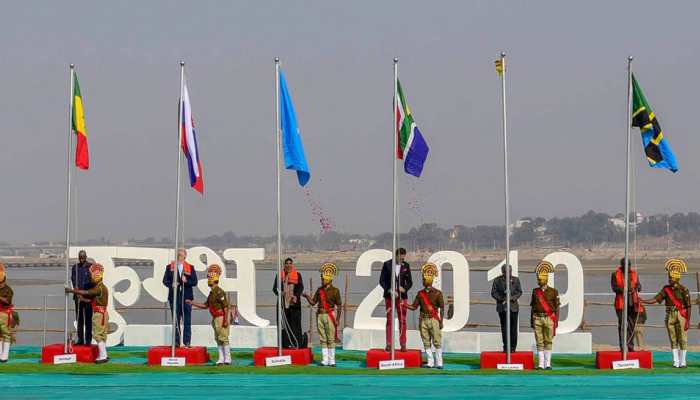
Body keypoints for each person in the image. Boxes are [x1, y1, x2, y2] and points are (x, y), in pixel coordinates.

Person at [642, 258, 691, 368]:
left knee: (682, 338)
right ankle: (676, 361)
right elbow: (656, 299)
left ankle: (683, 362)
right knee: (672, 338)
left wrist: (688, 320)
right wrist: (643, 301)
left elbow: (688, 306)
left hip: (681, 315)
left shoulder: (684, 290)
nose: (669, 279)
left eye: (671, 278)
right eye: (669, 277)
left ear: (676, 278)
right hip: (669, 315)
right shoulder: (666, 289)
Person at [187, 264, 231, 365]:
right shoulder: (211, 293)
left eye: (210, 277)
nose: (209, 279)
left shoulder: (219, 292)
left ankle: (227, 358)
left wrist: (225, 320)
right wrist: (192, 302)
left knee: (223, 337)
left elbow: (225, 307)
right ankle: (221, 358)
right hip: (215, 317)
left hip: (220, 316)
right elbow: (205, 305)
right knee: (218, 338)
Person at [65, 264, 109, 363]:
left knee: (98, 335)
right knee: (102, 335)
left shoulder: (99, 288)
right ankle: (104, 354)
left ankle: (103, 356)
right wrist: (83, 299)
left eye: (91, 275)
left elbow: (87, 292)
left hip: (99, 314)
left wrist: (72, 291)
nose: (90, 277)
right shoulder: (103, 287)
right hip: (103, 313)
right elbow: (91, 299)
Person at [303, 263, 342, 367]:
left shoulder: (335, 291)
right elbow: (313, 302)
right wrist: (307, 296)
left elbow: (339, 305)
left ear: (329, 279)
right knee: (323, 338)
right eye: (321, 278)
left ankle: (332, 360)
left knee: (330, 338)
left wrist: (337, 319)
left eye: (323, 278)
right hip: (320, 315)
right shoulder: (319, 290)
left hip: (330, 315)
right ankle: (324, 360)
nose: (322, 280)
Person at [406, 263, 445, 369]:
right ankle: (430, 362)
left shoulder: (438, 293)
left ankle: (439, 362)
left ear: (429, 281)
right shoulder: (420, 294)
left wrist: (441, 321)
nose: (424, 281)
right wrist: (404, 305)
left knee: (437, 341)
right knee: (426, 341)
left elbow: (442, 307)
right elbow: (414, 307)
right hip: (423, 319)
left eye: (425, 280)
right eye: (424, 279)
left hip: (433, 319)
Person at [162, 249, 198, 347]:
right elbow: (165, 280)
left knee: (187, 321)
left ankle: (187, 342)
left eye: (181, 255)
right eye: (177, 255)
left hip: (187, 298)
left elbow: (195, 282)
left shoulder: (190, 268)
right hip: (174, 298)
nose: (179, 257)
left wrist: (186, 281)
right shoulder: (170, 267)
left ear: (185, 256)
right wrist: (171, 284)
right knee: (175, 321)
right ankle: (176, 343)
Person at [379, 247, 412, 352]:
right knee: (389, 320)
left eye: (403, 258)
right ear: (396, 255)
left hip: (402, 297)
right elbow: (382, 280)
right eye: (400, 258)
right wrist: (388, 289)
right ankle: (388, 343)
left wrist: (404, 288)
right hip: (390, 297)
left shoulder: (406, 265)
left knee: (403, 320)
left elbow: (410, 282)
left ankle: (403, 343)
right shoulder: (387, 264)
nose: (402, 260)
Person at [530, 261, 560, 370]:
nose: (539, 281)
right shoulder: (535, 291)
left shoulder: (553, 291)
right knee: (539, 341)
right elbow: (532, 307)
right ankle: (540, 364)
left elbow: (557, 307)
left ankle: (548, 364)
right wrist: (531, 321)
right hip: (537, 318)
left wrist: (556, 321)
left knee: (548, 340)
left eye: (541, 279)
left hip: (549, 318)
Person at [272, 257, 306, 348]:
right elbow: (275, 289)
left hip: (294, 304)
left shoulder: (298, 275)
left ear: (292, 265)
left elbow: (300, 287)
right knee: (283, 325)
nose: (288, 265)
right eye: (286, 263)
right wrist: (281, 293)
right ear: (284, 265)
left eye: (290, 263)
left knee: (295, 324)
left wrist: (296, 296)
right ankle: (285, 345)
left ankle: (297, 344)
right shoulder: (279, 275)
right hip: (283, 304)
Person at [611, 257, 643, 353]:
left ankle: (630, 346)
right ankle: (622, 347)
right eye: (626, 265)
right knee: (622, 325)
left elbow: (640, 286)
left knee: (631, 326)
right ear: (622, 265)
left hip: (632, 303)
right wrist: (625, 290)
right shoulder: (615, 274)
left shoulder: (634, 274)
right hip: (621, 303)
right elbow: (614, 288)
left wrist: (637, 287)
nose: (628, 267)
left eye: (629, 265)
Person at [490, 264, 522, 353]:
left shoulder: (516, 280)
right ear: (503, 271)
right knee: (504, 328)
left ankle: (513, 347)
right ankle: (506, 347)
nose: (508, 273)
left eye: (510, 271)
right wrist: (502, 298)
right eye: (506, 271)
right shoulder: (497, 280)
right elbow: (493, 292)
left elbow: (519, 292)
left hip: (513, 308)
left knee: (513, 328)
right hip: (502, 307)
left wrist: (511, 298)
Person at [71, 250, 94, 345]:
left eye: (83, 258)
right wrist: (76, 290)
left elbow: (93, 281)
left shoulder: (91, 267)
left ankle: (88, 340)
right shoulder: (75, 267)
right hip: (78, 297)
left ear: (86, 257)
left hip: (88, 297)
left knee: (88, 319)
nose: (81, 260)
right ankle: (80, 339)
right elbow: (73, 279)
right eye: (80, 258)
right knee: (79, 319)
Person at [0, 263, 14, 363]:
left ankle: (5, 355)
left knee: (6, 334)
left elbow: (8, 301)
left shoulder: (8, 290)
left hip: (4, 313)